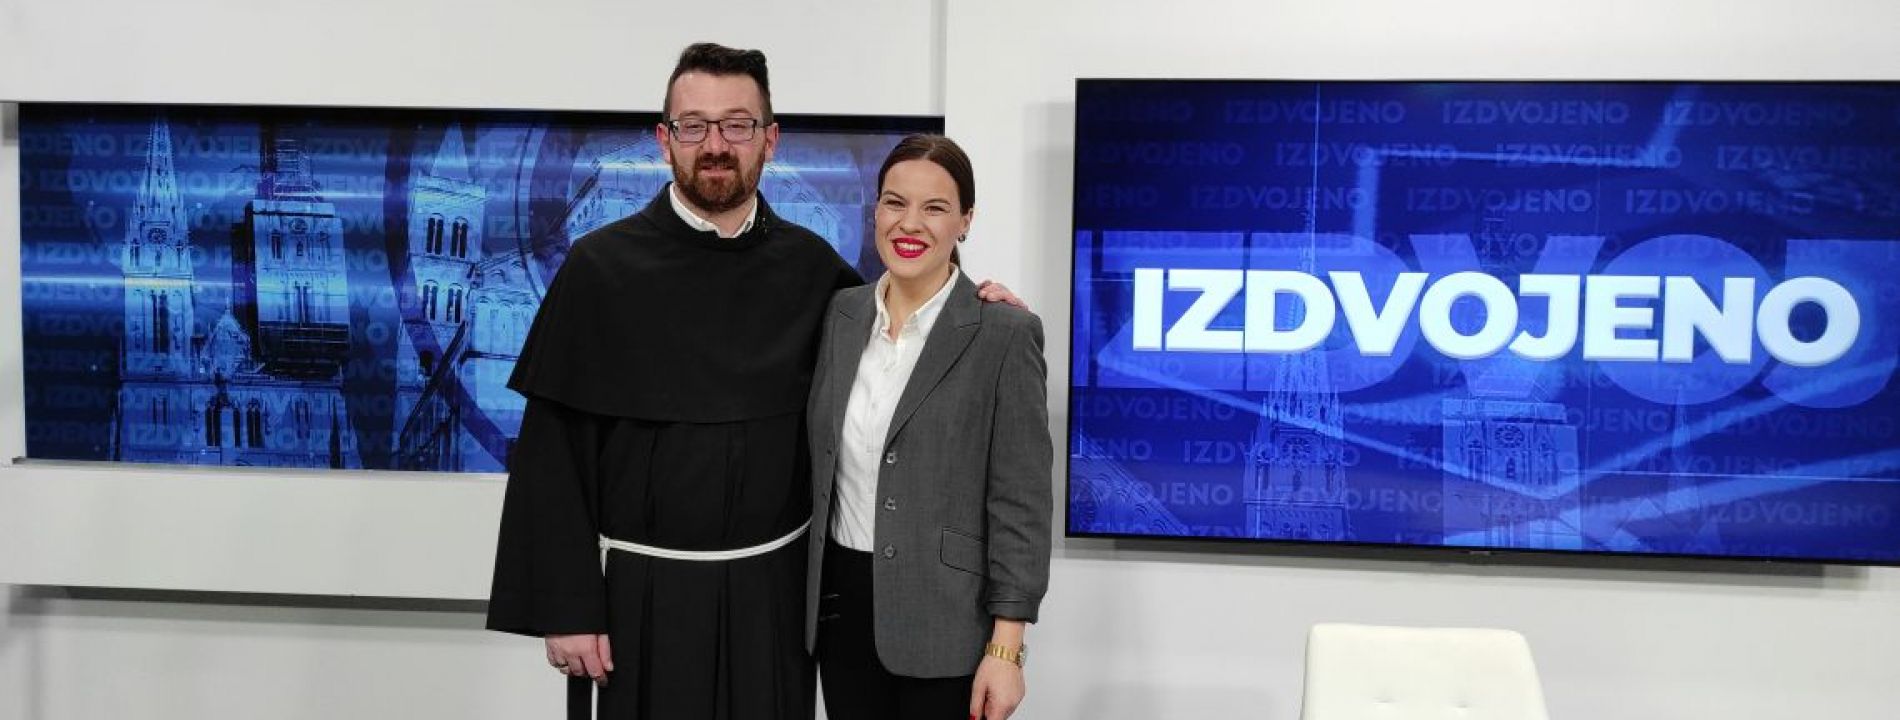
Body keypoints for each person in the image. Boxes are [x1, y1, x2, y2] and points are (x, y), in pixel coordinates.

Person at [486, 44, 1017, 719]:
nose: (715, 145)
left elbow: (902, 348)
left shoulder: (815, 272)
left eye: (737, 125)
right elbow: (552, 458)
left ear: (770, 139)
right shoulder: (598, 269)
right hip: (640, 603)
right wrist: (569, 608)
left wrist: (980, 312)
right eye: (694, 126)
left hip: (775, 600)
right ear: (664, 140)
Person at [804, 135, 1053, 720]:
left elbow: (1021, 503)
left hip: (949, 625)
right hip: (841, 616)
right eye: (895, 203)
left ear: (965, 221)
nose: (909, 223)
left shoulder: (1003, 333)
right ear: (876, 212)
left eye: (935, 207)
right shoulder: (840, 316)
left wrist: (1006, 649)